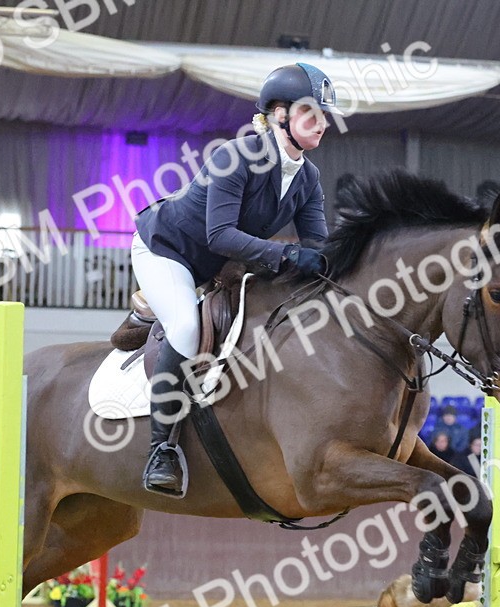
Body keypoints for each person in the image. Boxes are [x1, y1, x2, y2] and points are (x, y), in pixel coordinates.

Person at [131, 63, 342, 496]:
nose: (322, 124)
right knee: (187, 328)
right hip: (167, 250)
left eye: (324, 116)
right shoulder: (236, 156)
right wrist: (286, 254)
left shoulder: (308, 177)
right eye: (312, 114)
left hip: (218, 264)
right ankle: (162, 451)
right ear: (279, 115)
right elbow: (219, 234)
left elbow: (319, 244)